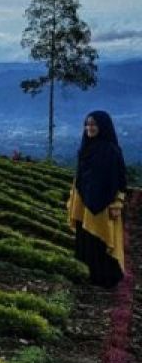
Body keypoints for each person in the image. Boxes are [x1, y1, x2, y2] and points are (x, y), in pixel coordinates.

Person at [66, 110, 129, 287]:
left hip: (104, 202)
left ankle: (105, 278)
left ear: (102, 126)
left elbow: (120, 179)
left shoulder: (111, 150)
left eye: (93, 124)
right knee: (85, 238)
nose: (89, 127)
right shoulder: (85, 148)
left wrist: (118, 202)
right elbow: (80, 176)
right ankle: (87, 275)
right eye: (87, 124)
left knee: (101, 240)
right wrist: (74, 197)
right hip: (84, 201)